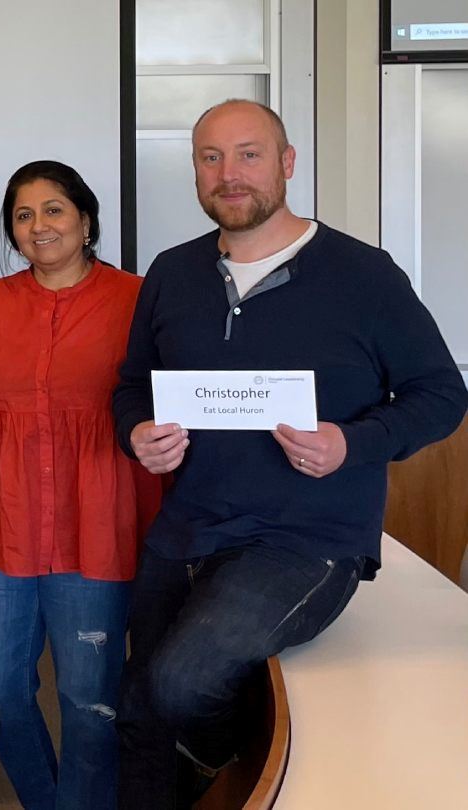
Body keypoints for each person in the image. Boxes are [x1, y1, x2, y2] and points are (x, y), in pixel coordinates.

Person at [112, 99, 468, 808]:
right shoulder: (173, 272)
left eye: (248, 154)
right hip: (187, 528)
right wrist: (138, 431)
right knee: (141, 713)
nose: (229, 173)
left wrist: (352, 442)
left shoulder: (364, 276)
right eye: (210, 158)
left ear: (287, 163)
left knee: (180, 683)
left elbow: (442, 394)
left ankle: (229, 773)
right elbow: (132, 386)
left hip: (305, 541)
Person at [0, 160, 162, 810]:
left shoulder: (137, 300)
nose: (39, 226)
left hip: (99, 535)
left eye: (54, 209)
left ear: (86, 219)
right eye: (23, 215)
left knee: (91, 703)